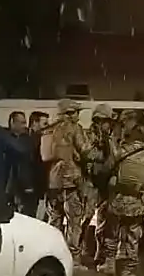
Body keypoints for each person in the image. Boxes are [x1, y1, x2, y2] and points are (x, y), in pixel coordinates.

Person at [99, 109, 144, 276]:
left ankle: (109, 264)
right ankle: (128, 270)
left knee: (112, 233)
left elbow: (105, 170)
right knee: (133, 237)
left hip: (117, 200)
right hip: (137, 203)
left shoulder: (119, 153)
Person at [40, 98, 94, 266]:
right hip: (71, 181)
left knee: (54, 220)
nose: (78, 116)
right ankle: (73, 258)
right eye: (76, 113)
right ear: (69, 113)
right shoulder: (74, 128)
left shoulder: (48, 130)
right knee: (74, 222)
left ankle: (51, 255)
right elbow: (87, 151)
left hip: (53, 182)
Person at [80, 103, 116, 266]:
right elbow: (86, 155)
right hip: (90, 183)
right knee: (84, 219)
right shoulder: (88, 137)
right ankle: (77, 253)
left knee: (104, 221)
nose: (109, 125)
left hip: (104, 185)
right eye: (107, 122)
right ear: (99, 121)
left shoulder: (109, 139)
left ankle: (99, 254)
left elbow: (113, 158)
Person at [7, 111, 36, 216]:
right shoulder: (4, 139)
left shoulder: (28, 140)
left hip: (25, 185)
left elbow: (31, 163)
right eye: (22, 123)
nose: (25, 126)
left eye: (25, 122)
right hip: (8, 185)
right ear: (12, 123)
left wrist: (29, 184)